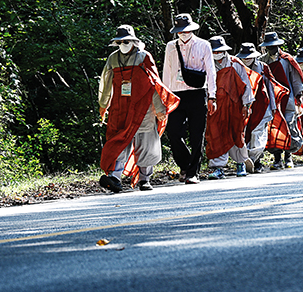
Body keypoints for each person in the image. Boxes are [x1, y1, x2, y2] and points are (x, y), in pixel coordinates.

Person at [98, 25, 180, 192]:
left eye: (126, 41)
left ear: (133, 41)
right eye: (120, 42)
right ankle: (115, 177)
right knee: (119, 140)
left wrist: (159, 108)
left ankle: (144, 179)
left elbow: (154, 83)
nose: (123, 44)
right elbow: (106, 83)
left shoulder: (144, 57)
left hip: (143, 107)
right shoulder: (113, 59)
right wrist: (103, 104)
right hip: (120, 107)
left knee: (146, 142)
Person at [162, 13, 217, 184]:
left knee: (196, 135)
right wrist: (165, 96)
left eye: (186, 30)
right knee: (174, 133)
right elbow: (166, 71)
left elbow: (211, 71)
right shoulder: (171, 46)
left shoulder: (203, 45)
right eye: (180, 31)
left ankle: (193, 172)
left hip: (197, 93)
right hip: (176, 94)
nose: (183, 34)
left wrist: (212, 96)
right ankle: (185, 164)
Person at [205, 36, 255, 179]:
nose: (216, 54)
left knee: (237, 133)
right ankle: (218, 167)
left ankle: (240, 163)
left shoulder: (235, 63)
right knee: (215, 134)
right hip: (215, 106)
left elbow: (246, 85)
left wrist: (246, 105)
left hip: (234, 105)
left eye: (219, 51)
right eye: (214, 52)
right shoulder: (206, 63)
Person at [259, 32, 303, 170]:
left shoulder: (287, 59)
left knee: (289, 126)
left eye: (273, 46)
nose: (271, 49)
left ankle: (288, 157)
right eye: (269, 47)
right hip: (271, 100)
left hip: (288, 99)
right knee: (274, 128)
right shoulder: (262, 60)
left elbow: (296, 79)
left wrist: (298, 96)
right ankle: (277, 158)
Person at [236, 43, 285, 173]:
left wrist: (273, 106)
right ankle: (246, 160)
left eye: (249, 57)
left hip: (262, 106)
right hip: (243, 106)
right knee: (245, 133)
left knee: (258, 135)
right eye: (244, 57)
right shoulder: (236, 67)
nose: (246, 59)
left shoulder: (263, 67)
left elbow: (270, 87)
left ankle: (254, 160)